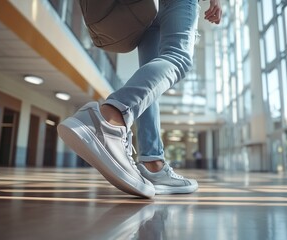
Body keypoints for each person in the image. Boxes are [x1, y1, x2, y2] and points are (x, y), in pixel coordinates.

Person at [58, 0, 222, 198]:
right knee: (179, 57)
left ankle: (153, 165)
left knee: (151, 83)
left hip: (148, 6)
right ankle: (110, 117)